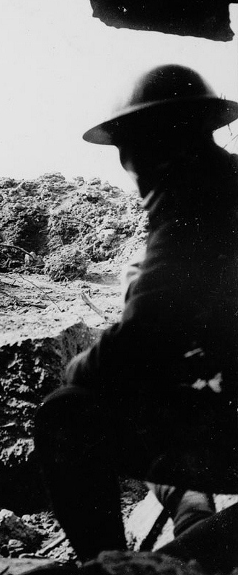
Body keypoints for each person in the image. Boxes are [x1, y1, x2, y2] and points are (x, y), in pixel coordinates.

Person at [33, 64, 238, 569]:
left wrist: (79, 369)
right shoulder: (225, 181)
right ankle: (192, 518)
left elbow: (147, 332)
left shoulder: (194, 199)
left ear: (159, 146)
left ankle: (109, 565)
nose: (130, 168)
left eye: (131, 151)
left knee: (68, 414)